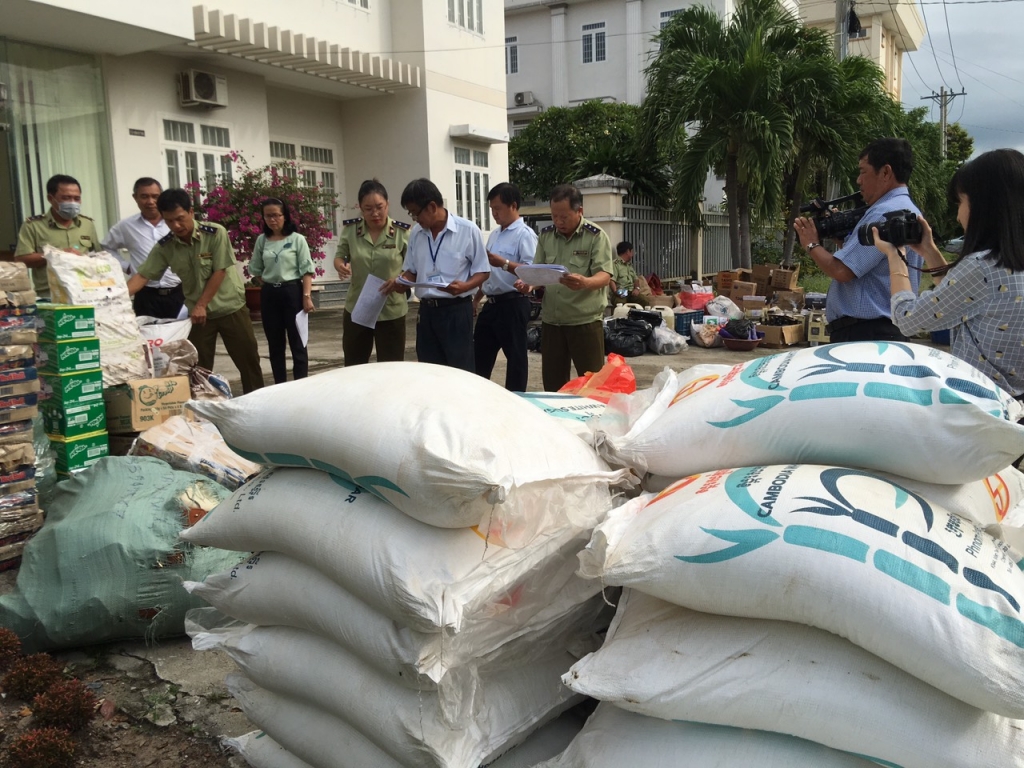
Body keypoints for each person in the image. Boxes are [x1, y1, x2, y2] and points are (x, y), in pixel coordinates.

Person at [873, 148, 1024, 397]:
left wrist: (895, 256)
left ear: (985, 206)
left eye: (961, 202)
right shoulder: (1003, 267)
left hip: (983, 407)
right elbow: (962, 298)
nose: (958, 214)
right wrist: (929, 252)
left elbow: (907, 318)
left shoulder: (981, 267)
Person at [127, 188, 264, 394]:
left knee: (248, 363)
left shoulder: (215, 233)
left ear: (191, 212)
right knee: (197, 368)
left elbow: (219, 271)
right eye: (169, 221)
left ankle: (256, 406)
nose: (176, 225)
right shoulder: (166, 246)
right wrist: (114, 300)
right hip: (200, 317)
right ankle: (205, 413)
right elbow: (143, 276)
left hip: (230, 309)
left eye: (180, 218)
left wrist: (201, 304)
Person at [793, 137, 924, 342]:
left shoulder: (883, 213)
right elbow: (873, 267)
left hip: (866, 333)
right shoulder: (907, 210)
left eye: (863, 172)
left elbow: (841, 271)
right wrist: (842, 240)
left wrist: (811, 243)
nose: (858, 180)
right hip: (885, 331)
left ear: (886, 172)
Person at [382, 178, 489, 372]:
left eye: (415, 212)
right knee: (430, 372)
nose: (415, 219)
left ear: (432, 206)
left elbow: (483, 271)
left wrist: (465, 287)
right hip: (427, 313)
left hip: (456, 312)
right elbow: (412, 271)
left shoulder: (467, 230)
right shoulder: (417, 233)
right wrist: (401, 281)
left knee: (460, 371)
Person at [514, 184, 613, 392]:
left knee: (591, 386)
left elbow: (604, 276)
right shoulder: (546, 235)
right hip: (552, 322)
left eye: (564, 217)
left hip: (584, 322)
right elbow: (539, 271)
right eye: (554, 216)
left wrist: (585, 282)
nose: (558, 222)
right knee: (553, 385)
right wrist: (528, 284)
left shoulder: (595, 236)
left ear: (580, 212)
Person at [335, 179, 410, 366]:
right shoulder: (351, 231)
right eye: (368, 208)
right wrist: (340, 266)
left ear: (387, 204)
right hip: (358, 308)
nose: (375, 213)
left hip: (391, 309)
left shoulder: (402, 232)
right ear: (360, 207)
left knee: (391, 368)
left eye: (379, 207)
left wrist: (400, 279)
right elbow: (340, 256)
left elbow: (413, 268)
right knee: (354, 366)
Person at [473, 182, 537, 391]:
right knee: (479, 356)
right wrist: (475, 299)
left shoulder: (524, 234)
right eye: (491, 209)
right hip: (491, 304)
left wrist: (504, 263)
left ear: (513, 206)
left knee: (516, 359)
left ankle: (516, 399)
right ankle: (477, 397)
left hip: (513, 303)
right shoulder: (495, 234)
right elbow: (487, 270)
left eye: (498, 208)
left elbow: (531, 270)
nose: (494, 213)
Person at [248, 198, 315, 384]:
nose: (273, 220)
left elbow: (307, 271)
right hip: (270, 295)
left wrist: (306, 297)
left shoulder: (297, 240)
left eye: (276, 215)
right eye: (268, 216)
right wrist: (271, 281)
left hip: (292, 292)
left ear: (284, 216)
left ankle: (301, 385)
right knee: (275, 344)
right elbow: (256, 268)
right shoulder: (262, 240)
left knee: (298, 342)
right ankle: (280, 385)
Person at [102, 177, 185, 319]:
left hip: (178, 293)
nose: (150, 202)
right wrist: (126, 266)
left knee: (182, 338)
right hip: (145, 295)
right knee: (149, 338)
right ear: (135, 198)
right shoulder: (125, 226)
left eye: (155, 196)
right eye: (144, 196)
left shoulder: (175, 223)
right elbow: (106, 249)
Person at [14, 174, 99, 299]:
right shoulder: (33, 225)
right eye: (66, 198)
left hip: (85, 292)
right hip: (50, 295)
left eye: (77, 198)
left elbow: (98, 255)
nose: (72, 203)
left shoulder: (87, 224)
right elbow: (21, 259)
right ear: (50, 198)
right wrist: (57, 255)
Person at [610, 241, 651, 307]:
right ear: (627, 251)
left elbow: (636, 279)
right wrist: (616, 292)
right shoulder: (615, 264)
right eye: (632, 252)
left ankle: (641, 317)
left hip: (631, 293)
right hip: (620, 292)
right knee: (621, 305)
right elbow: (611, 280)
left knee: (644, 301)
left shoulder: (629, 266)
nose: (632, 254)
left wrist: (637, 288)